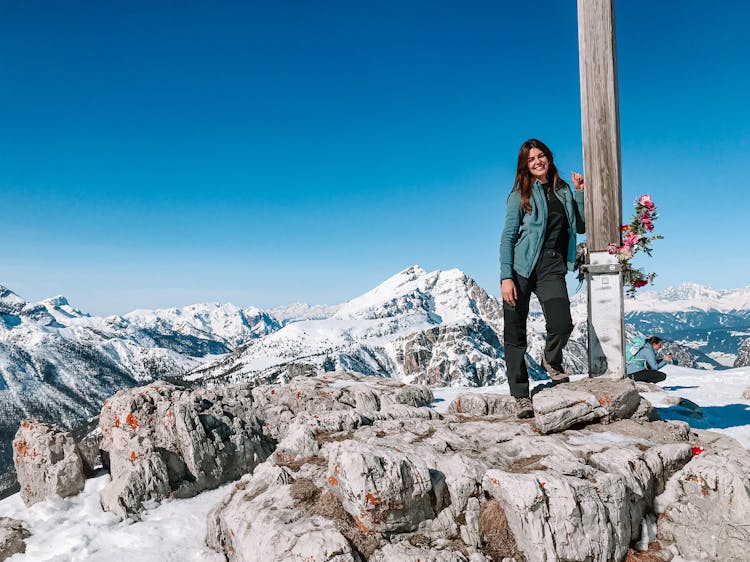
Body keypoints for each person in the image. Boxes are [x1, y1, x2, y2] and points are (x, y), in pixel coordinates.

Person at [500, 139, 585, 418]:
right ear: (525, 165)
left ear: (549, 157)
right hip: (522, 267)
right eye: (531, 159)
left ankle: (551, 359)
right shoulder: (519, 195)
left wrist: (581, 192)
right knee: (515, 333)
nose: (537, 161)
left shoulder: (563, 191)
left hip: (551, 264)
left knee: (562, 323)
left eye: (541, 156)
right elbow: (509, 237)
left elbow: (580, 226)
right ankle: (521, 395)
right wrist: (506, 276)